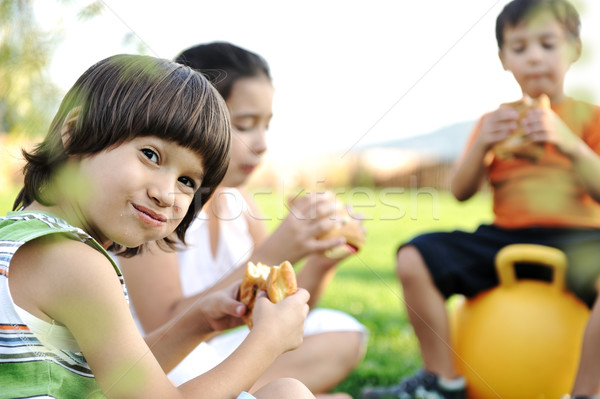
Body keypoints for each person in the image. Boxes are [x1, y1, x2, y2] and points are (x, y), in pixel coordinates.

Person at [0, 53, 316, 399]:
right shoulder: (75, 262)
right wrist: (267, 343)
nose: (166, 194)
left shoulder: (22, 236)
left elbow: (118, 382)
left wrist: (197, 323)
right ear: (75, 133)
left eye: (187, 180)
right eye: (150, 155)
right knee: (289, 394)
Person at [361, 0, 600, 398]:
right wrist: (483, 146)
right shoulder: (494, 122)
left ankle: (585, 392)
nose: (535, 57)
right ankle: (441, 380)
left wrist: (569, 143)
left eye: (547, 43)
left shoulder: (589, 119)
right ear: (504, 59)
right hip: (504, 236)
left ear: (575, 49)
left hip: (581, 237)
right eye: (520, 48)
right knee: (414, 256)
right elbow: (460, 191)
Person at [118, 42, 367, 399]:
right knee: (192, 366)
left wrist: (322, 261)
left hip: (220, 346)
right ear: (194, 121)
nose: (262, 143)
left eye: (266, 126)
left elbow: (276, 302)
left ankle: (243, 388)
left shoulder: (242, 203)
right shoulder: (157, 206)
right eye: (246, 125)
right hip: (164, 352)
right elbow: (164, 323)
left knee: (345, 333)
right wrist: (276, 248)